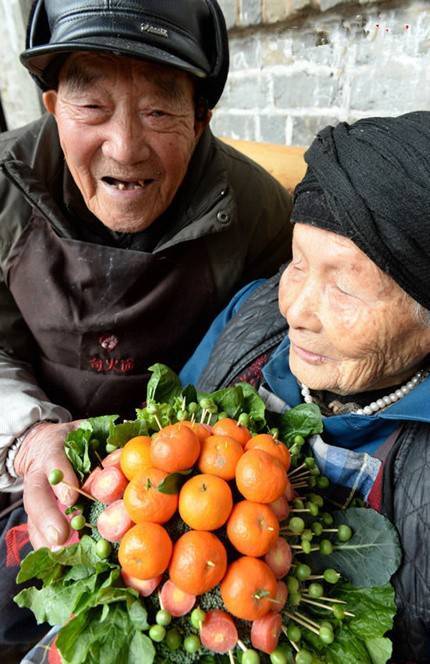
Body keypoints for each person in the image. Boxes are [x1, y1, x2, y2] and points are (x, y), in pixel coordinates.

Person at [0, 0, 293, 650]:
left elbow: (266, 362)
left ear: (202, 119)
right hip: (29, 461)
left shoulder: (258, 212)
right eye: (92, 106)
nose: (126, 147)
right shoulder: (4, 184)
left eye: (160, 111)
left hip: (188, 485)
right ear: (51, 107)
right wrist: (30, 439)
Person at [180, 112, 430, 663]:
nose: (296, 310)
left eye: (344, 288)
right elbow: (178, 428)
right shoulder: (254, 312)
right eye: (296, 264)